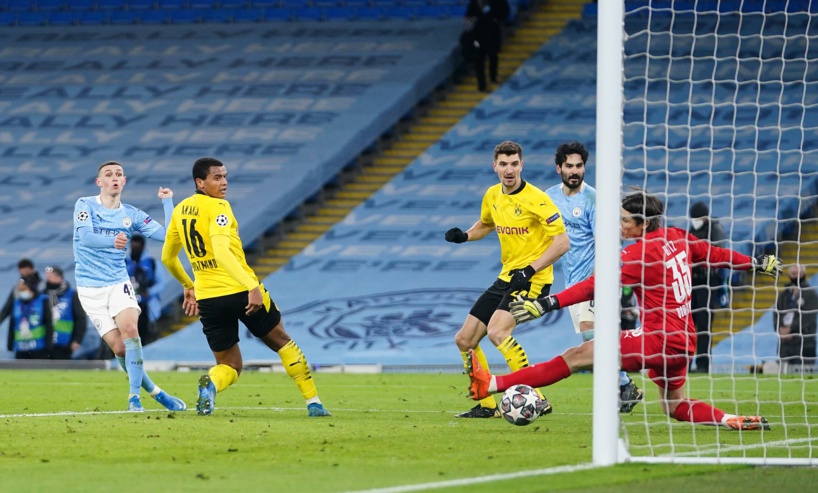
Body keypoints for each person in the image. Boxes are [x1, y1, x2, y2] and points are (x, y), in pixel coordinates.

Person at [467, 190, 782, 431]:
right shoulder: (677, 237)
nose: (619, 225)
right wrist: (756, 263)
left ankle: (492, 384)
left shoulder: (639, 254)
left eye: (624, 220)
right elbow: (714, 253)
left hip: (657, 338)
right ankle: (729, 419)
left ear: (641, 223)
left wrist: (548, 303)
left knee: (577, 356)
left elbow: (593, 286)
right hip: (684, 341)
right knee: (674, 406)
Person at [161, 157, 331, 417]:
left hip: (209, 299)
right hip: (240, 289)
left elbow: (167, 258)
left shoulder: (180, 210)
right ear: (200, 182)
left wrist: (188, 285)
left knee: (229, 364)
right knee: (282, 343)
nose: (224, 182)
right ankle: (314, 403)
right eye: (217, 178)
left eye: (225, 176)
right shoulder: (219, 207)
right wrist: (251, 285)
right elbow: (220, 251)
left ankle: (212, 385)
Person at [445, 140, 570, 418]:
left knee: (498, 332)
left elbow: (562, 243)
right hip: (506, 277)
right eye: (504, 164)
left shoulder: (537, 199)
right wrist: (465, 236)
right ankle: (487, 405)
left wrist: (531, 270)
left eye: (514, 164)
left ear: (522, 165)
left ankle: (536, 396)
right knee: (464, 340)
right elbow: (487, 224)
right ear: (495, 167)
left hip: (533, 280)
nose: (509, 169)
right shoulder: (492, 195)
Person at [73, 160, 186, 412]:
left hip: (118, 282)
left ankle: (133, 398)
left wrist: (167, 202)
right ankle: (156, 392)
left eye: (119, 174)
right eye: (108, 174)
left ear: (124, 182)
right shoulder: (84, 204)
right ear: (99, 182)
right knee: (120, 347)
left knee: (130, 330)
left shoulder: (131, 215)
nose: (114, 178)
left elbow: (170, 235)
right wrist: (112, 240)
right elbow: (85, 237)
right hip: (90, 289)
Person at [545, 141, 642, 413]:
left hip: (593, 279)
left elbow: (606, 242)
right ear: (559, 168)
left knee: (591, 332)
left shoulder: (593, 200)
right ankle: (625, 386)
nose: (575, 171)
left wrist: (598, 281)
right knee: (592, 338)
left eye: (579, 166)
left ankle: (625, 384)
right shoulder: (548, 197)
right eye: (569, 166)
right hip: (572, 280)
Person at [687, 201, 728, 373]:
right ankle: (686, 364)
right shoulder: (692, 229)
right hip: (692, 282)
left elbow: (716, 251)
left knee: (703, 325)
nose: (695, 220)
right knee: (688, 324)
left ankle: (703, 364)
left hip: (708, 282)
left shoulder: (715, 229)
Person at [125, 233, 166, 345]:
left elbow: (162, 283)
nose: (135, 249)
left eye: (138, 246)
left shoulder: (152, 263)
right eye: (133, 246)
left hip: (147, 307)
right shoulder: (123, 263)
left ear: (143, 247)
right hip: (128, 307)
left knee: (146, 337)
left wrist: (150, 292)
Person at [774, 264, 817, 367]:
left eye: (799, 273)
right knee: (784, 376)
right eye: (793, 273)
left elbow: (808, 318)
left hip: (804, 343)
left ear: (804, 274)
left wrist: (791, 329)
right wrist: (780, 329)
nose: (796, 276)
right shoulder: (784, 294)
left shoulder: (811, 294)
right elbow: (776, 313)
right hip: (785, 344)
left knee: (805, 375)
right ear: (789, 275)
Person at [464, 0, 510, 92]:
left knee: (493, 55)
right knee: (479, 59)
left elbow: (505, 11)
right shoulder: (475, 2)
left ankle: (493, 78)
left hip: (492, 33)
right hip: (477, 35)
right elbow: (468, 15)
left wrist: (497, 19)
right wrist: (470, 24)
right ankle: (482, 85)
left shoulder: (497, 2)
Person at [44, 266, 87, 360]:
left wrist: (77, 340)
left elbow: (81, 319)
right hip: (44, 342)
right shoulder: (42, 295)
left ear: (59, 277)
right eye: (47, 276)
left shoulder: (71, 294)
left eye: (51, 275)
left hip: (65, 342)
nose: (48, 278)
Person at [6, 275, 53, 359]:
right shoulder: (17, 303)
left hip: (39, 348)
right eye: (20, 290)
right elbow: (12, 324)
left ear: (31, 289)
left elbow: (49, 324)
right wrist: (10, 343)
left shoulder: (42, 301)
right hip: (21, 347)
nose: (22, 293)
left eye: (24, 290)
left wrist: (49, 344)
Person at [0, 258, 43, 326]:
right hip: (20, 326)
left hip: (38, 324)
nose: (25, 274)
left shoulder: (42, 286)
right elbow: (7, 308)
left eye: (27, 271)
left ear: (33, 270)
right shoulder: (17, 288)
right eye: (22, 271)